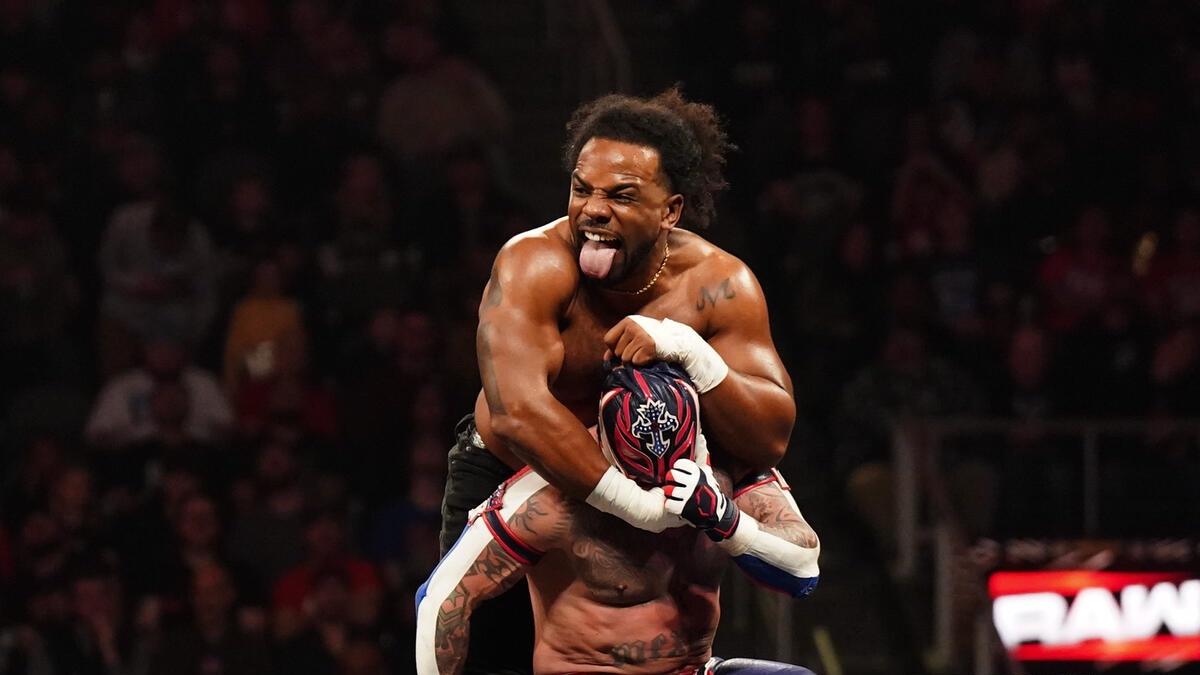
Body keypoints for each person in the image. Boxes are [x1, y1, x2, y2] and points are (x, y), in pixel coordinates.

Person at [440, 87, 798, 674]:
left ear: (671, 210)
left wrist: (695, 356)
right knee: (486, 654)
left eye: (621, 196)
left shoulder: (719, 284)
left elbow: (769, 438)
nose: (593, 210)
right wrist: (630, 503)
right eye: (583, 189)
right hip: (517, 475)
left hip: (647, 479)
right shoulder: (534, 263)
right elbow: (517, 412)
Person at [419, 363, 818, 674]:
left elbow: (804, 570)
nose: (655, 491)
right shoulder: (550, 495)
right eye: (639, 477)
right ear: (605, 444)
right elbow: (441, 600)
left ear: (696, 436)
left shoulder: (730, 470)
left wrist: (726, 520)